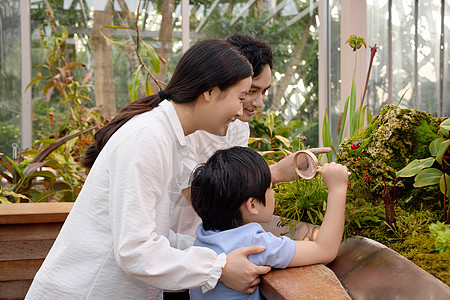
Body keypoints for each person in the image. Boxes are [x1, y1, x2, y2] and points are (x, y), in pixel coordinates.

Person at [25, 40, 271, 300]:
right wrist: (218, 267)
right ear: (210, 91)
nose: (240, 109)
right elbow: (134, 249)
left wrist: (220, 252)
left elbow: (156, 235)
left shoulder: (167, 137)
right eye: (240, 97)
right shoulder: (147, 137)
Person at [173, 33, 330, 236]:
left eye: (264, 92)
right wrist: (272, 173)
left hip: (226, 241)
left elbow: (238, 190)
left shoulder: (239, 126)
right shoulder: (185, 131)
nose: (259, 102)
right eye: (250, 91)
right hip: (190, 245)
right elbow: (205, 199)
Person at [188, 146, 348, 300]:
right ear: (252, 205)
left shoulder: (204, 234)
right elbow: (325, 250)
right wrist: (338, 188)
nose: (274, 192)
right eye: (270, 187)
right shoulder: (253, 243)